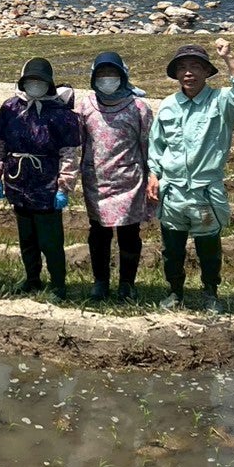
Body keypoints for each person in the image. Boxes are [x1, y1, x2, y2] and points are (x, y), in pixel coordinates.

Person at [149, 40, 234, 315]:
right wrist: (153, 174)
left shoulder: (222, 102)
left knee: (208, 248)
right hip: (173, 193)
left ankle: (210, 293)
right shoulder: (169, 105)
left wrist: (229, 57)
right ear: (176, 74)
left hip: (205, 192)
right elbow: (157, 145)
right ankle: (175, 292)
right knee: (172, 248)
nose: (188, 73)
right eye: (182, 67)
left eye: (195, 66)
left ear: (207, 71)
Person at [0, 58, 81, 300]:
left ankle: (58, 285)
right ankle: (32, 279)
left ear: (49, 84)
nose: (35, 86)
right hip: (18, 183)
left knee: (51, 241)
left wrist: (64, 186)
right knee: (27, 238)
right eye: (30, 81)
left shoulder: (62, 115)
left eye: (40, 81)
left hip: (47, 185)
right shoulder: (10, 109)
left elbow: (69, 153)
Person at [75, 52, 156, 300]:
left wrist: (152, 173)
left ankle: (127, 284)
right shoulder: (86, 106)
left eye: (112, 74)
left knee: (129, 234)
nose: (106, 80)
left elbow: (147, 145)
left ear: (123, 76)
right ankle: (100, 281)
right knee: (98, 233)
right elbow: (80, 143)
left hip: (129, 180)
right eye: (101, 75)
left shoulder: (139, 107)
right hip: (96, 181)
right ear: (92, 78)